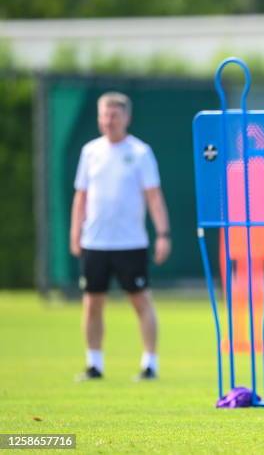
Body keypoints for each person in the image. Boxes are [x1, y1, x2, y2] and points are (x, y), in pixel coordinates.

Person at [70, 92, 171, 381]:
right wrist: (75, 231)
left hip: (130, 242)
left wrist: (163, 234)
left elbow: (153, 197)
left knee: (141, 300)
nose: (108, 120)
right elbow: (81, 196)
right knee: (92, 303)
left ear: (126, 117)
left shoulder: (139, 152)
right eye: (104, 115)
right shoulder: (90, 152)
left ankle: (150, 363)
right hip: (95, 242)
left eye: (114, 115)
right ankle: (94, 363)